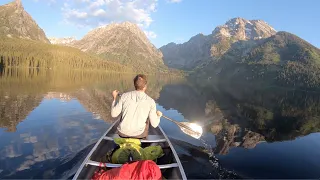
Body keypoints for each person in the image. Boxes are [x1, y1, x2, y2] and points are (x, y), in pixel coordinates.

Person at [111, 74, 162, 139]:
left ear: (134, 85)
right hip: (139, 135)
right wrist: (158, 116)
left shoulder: (124, 96)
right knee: (148, 119)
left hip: (122, 133)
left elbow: (113, 114)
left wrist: (114, 98)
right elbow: (154, 125)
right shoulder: (151, 101)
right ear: (145, 86)